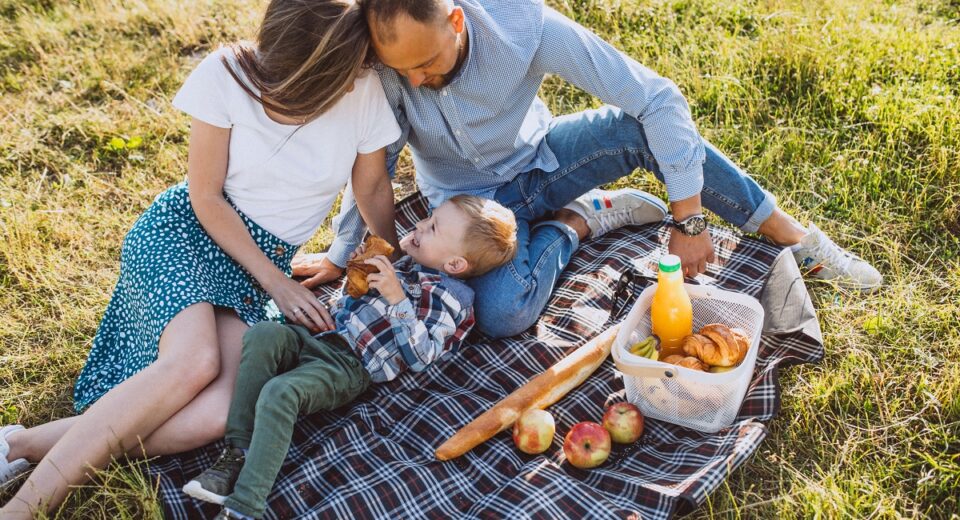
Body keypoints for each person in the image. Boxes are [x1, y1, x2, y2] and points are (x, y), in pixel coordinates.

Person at [0, 0, 402, 516]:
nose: (352, 84)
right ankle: (25, 508)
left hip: (257, 268)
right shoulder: (226, 73)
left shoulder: (361, 86)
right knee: (193, 363)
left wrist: (388, 257)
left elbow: (371, 185)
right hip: (190, 233)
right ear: (305, 72)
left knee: (219, 413)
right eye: (340, 78)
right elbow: (205, 197)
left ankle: (20, 445)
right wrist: (277, 284)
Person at [295, 0, 883, 339]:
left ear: (455, 20)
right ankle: (578, 222)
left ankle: (797, 239)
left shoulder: (524, 24)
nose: (415, 81)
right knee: (500, 315)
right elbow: (372, 167)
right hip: (464, 209)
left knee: (640, 127)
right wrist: (345, 253)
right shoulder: (388, 67)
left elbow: (658, 97)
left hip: (543, 161)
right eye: (404, 72)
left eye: (425, 63)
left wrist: (690, 218)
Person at [180, 195, 517, 519]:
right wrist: (356, 278)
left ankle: (245, 505)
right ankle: (236, 453)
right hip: (322, 338)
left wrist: (397, 298)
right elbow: (351, 306)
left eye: (433, 228)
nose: (420, 224)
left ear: (455, 264)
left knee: (281, 392)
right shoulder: (404, 266)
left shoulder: (450, 298)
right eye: (428, 217)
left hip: (350, 365)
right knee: (263, 334)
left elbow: (421, 356)